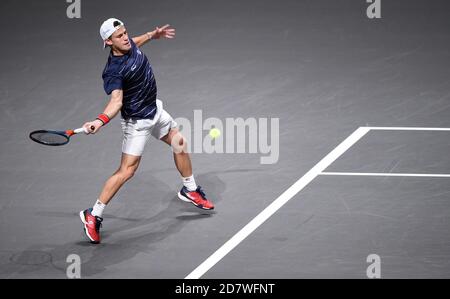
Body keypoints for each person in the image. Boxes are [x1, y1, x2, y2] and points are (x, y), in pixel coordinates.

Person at [79, 18, 214, 244]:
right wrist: (99, 121)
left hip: (155, 111)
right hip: (137, 122)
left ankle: (189, 190)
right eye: (119, 36)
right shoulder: (113, 71)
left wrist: (153, 34)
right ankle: (93, 214)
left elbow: (136, 41)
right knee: (126, 171)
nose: (125, 38)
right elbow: (116, 102)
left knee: (179, 142)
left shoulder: (129, 44)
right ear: (108, 42)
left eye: (125, 33)